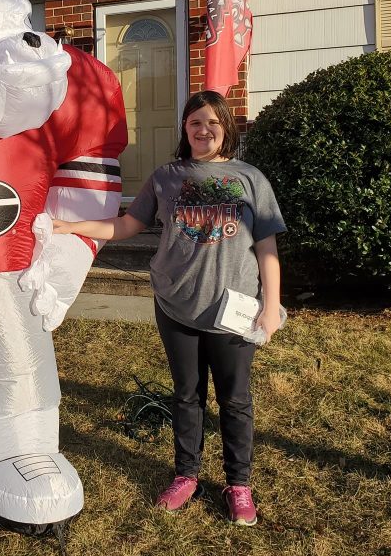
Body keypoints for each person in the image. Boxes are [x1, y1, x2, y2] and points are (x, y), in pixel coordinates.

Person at [52, 90, 286, 527]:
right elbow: (127, 224)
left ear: (227, 129)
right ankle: (187, 474)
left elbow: (267, 245)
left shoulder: (251, 178)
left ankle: (239, 485)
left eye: (213, 123)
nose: (204, 130)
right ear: (185, 128)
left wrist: (270, 306)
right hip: (175, 305)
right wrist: (71, 225)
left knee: (234, 400)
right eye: (196, 122)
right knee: (186, 395)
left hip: (232, 310)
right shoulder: (165, 177)